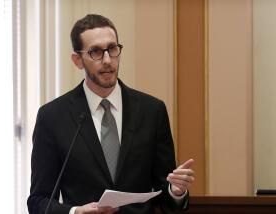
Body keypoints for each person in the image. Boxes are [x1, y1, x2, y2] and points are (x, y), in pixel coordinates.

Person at [27, 14, 194, 214]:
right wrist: (74, 212)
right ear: (77, 60)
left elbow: (165, 198)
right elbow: (38, 201)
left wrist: (176, 192)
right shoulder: (53, 117)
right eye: (95, 52)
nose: (107, 60)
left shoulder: (152, 111)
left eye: (112, 49)